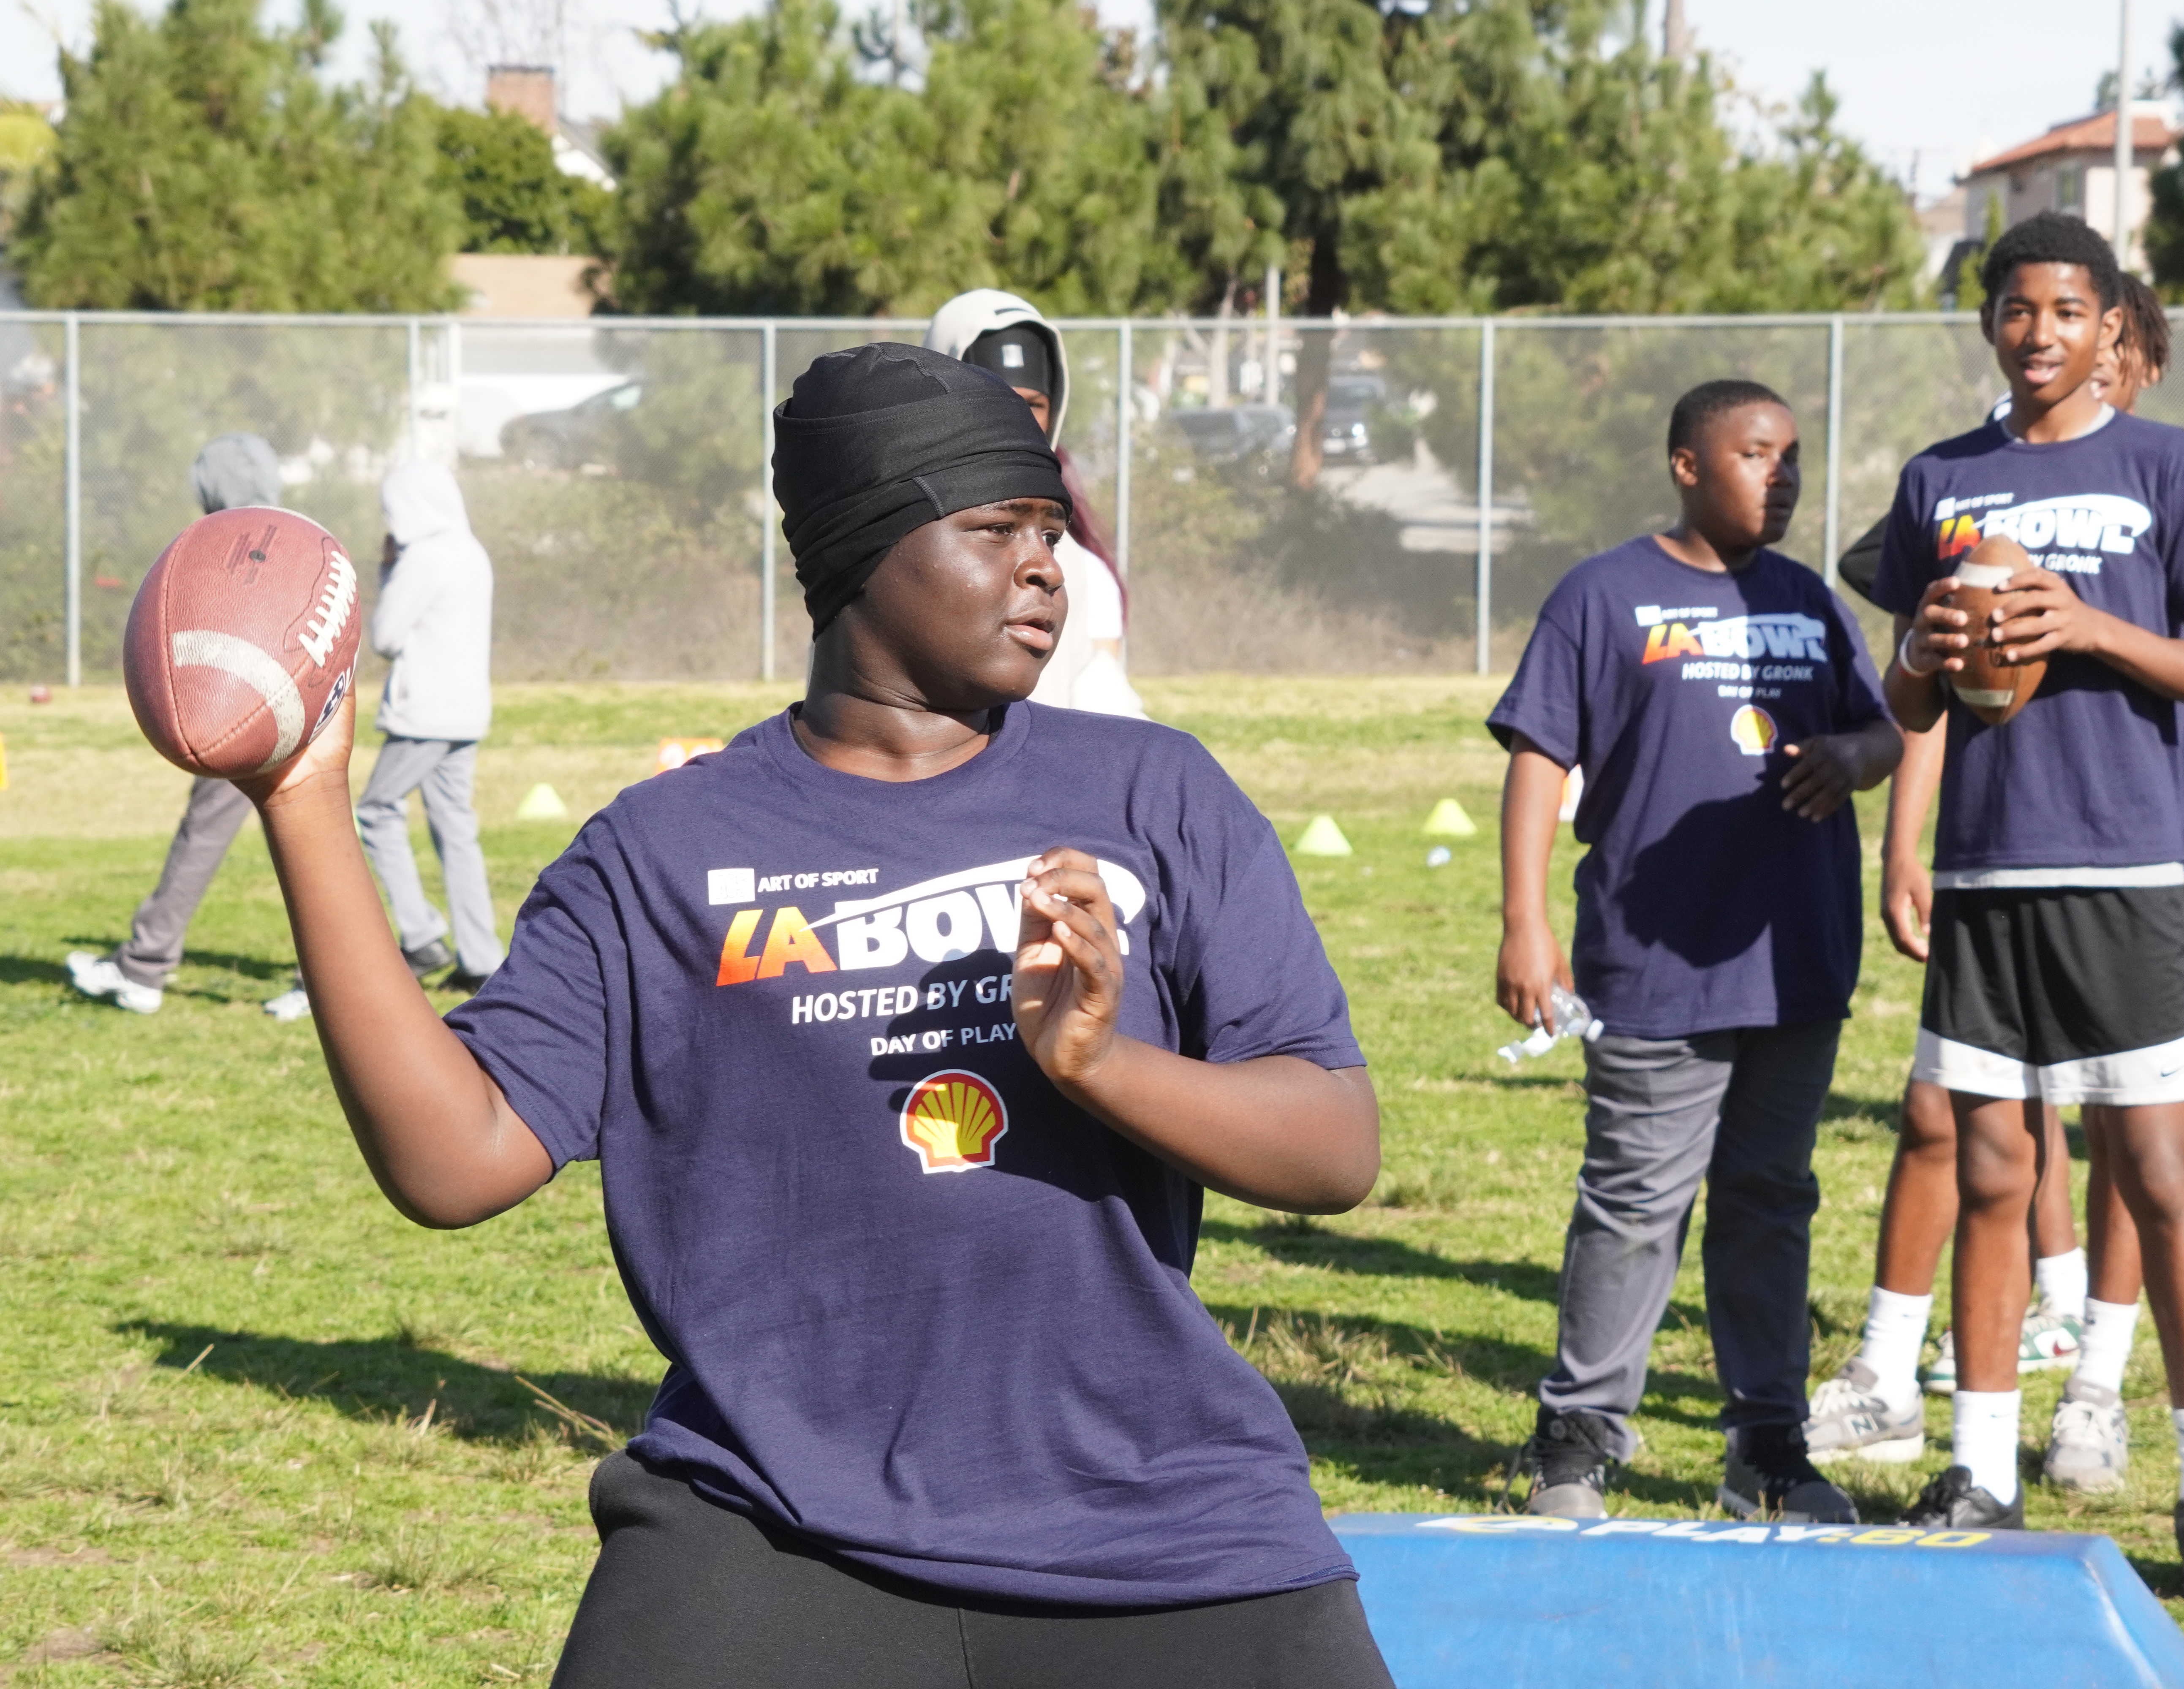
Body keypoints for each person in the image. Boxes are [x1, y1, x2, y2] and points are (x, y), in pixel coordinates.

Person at [222, 341, 1393, 1686]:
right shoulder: (659, 851)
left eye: (1051, 534)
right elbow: (452, 1159)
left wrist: (1100, 1063)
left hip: (1157, 1517)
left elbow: (1335, 1144)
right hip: (772, 1517)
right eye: (993, 528)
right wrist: (304, 801)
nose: (1043, 568)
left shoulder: (1154, 793)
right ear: (862, 549)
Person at [1871, 213, 2184, 1605]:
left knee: (2158, 1179)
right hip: (1988, 878)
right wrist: (1907, 800)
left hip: (2130, 877)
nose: (2037, 331)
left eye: (2063, 309)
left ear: (2110, 326)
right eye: (2013, 309)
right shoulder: (1941, 478)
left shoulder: (2167, 469)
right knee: (1990, 1173)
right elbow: (1910, 697)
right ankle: (1980, 1464)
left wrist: (2087, 625)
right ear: (1990, 325)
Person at [1490, 379, 1902, 1523]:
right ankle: (1576, 1442)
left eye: (1795, 458)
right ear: (1686, 464)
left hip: (1795, 964)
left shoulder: (1811, 601)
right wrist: (1525, 922)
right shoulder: (1605, 594)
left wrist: (1857, 760)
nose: (1784, 476)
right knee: (1634, 1203)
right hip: (1655, 965)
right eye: (1757, 454)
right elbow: (1537, 758)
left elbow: (1883, 727)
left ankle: (1764, 1448)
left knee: (1771, 1200)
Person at [68, 434, 307, 1020]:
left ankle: (144, 967)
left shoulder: (220, 542)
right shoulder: (304, 536)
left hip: (236, 714)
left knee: (205, 837)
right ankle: (326, 980)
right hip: (303, 712)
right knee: (319, 840)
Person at [926, 288, 1145, 717]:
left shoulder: (1074, 569)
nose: (1015, 419)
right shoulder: (893, 541)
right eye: (995, 397)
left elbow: (1099, 716)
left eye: (1032, 404)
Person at [355, 461, 503, 992]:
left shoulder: (422, 557)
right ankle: (481, 956)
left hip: (424, 713)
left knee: (375, 811)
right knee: (455, 828)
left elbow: (386, 636)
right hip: (468, 712)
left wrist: (386, 570)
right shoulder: (472, 551)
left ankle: (420, 933)